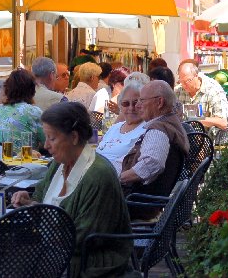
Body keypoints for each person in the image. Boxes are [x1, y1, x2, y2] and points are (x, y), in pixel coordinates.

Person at [11, 102, 133, 277]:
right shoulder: (58, 164)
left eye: (52, 138)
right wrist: (28, 201)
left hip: (90, 264)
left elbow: (84, 237)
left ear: (74, 137)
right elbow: (41, 198)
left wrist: (36, 230)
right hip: (57, 254)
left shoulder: (98, 175)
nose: (46, 145)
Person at [121, 81, 190, 218]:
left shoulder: (158, 130)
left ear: (159, 102)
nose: (138, 105)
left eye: (142, 100)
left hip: (135, 205)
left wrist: (116, 179)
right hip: (144, 203)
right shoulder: (169, 123)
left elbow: (151, 164)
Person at [96, 74, 147, 173]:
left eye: (136, 103)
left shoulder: (146, 129)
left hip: (113, 177)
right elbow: (99, 141)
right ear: (120, 106)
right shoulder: (115, 127)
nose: (131, 108)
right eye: (125, 104)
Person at [0, 68, 45, 147]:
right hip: (23, 154)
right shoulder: (33, 112)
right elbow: (48, 141)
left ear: (7, 89)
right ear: (32, 90)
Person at [175, 62, 228, 130]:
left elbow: (223, 123)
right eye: (181, 81)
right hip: (186, 133)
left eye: (188, 81)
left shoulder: (213, 89)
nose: (184, 85)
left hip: (209, 134)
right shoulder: (178, 90)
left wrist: (196, 119)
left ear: (196, 76)